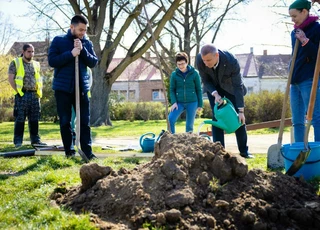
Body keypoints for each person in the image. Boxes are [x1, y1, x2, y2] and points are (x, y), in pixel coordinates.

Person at [48, 14, 98, 160]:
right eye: (81, 30)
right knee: (65, 121)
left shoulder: (87, 43)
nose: (83, 33)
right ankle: (69, 152)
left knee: (84, 122)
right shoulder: (59, 41)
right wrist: (71, 54)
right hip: (63, 88)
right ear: (72, 27)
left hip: (81, 88)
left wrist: (82, 51)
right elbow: (52, 61)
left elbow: (93, 62)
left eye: (85, 30)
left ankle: (87, 152)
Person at [196, 44, 253, 158]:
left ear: (216, 55)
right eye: (204, 60)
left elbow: (238, 86)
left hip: (231, 88)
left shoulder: (231, 60)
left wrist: (241, 111)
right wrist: (215, 94)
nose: (206, 63)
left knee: (238, 118)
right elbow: (205, 80)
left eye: (208, 60)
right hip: (213, 89)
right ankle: (219, 151)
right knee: (217, 117)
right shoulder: (200, 60)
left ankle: (244, 151)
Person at [288, 0, 320, 142]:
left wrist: (305, 40)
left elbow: (317, 55)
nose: (292, 19)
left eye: (294, 16)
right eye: (291, 16)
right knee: (297, 121)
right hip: (294, 81)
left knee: (316, 118)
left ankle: (318, 151)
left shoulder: (317, 29)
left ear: (304, 12)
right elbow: (296, 57)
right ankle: (299, 151)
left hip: (309, 79)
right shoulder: (294, 32)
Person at [8, 44, 47, 148]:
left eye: (33, 52)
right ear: (24, 51)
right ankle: (18, 142)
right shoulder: (16, 62)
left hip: (34, 95)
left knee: (34, 118)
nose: (31, 54)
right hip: (22, 94)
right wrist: (18, 92)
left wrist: (39, 93)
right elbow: (11, 79)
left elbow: (39, 79)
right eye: (29, 51)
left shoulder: (36, 64)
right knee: (20, 118)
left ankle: (35, 140)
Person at [168, 52, 203, 134]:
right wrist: (174, 102)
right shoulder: (174, 75)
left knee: (189, 126)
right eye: (178, 64)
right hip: (179, 103)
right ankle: (171, 139)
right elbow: (172, 89)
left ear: (187, 62)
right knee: (170, 119)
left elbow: (198, 89)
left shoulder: (195, 73)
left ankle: (189, 144)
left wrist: (200, 104)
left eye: (183, 64)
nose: (181, 66)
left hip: (192, 102)